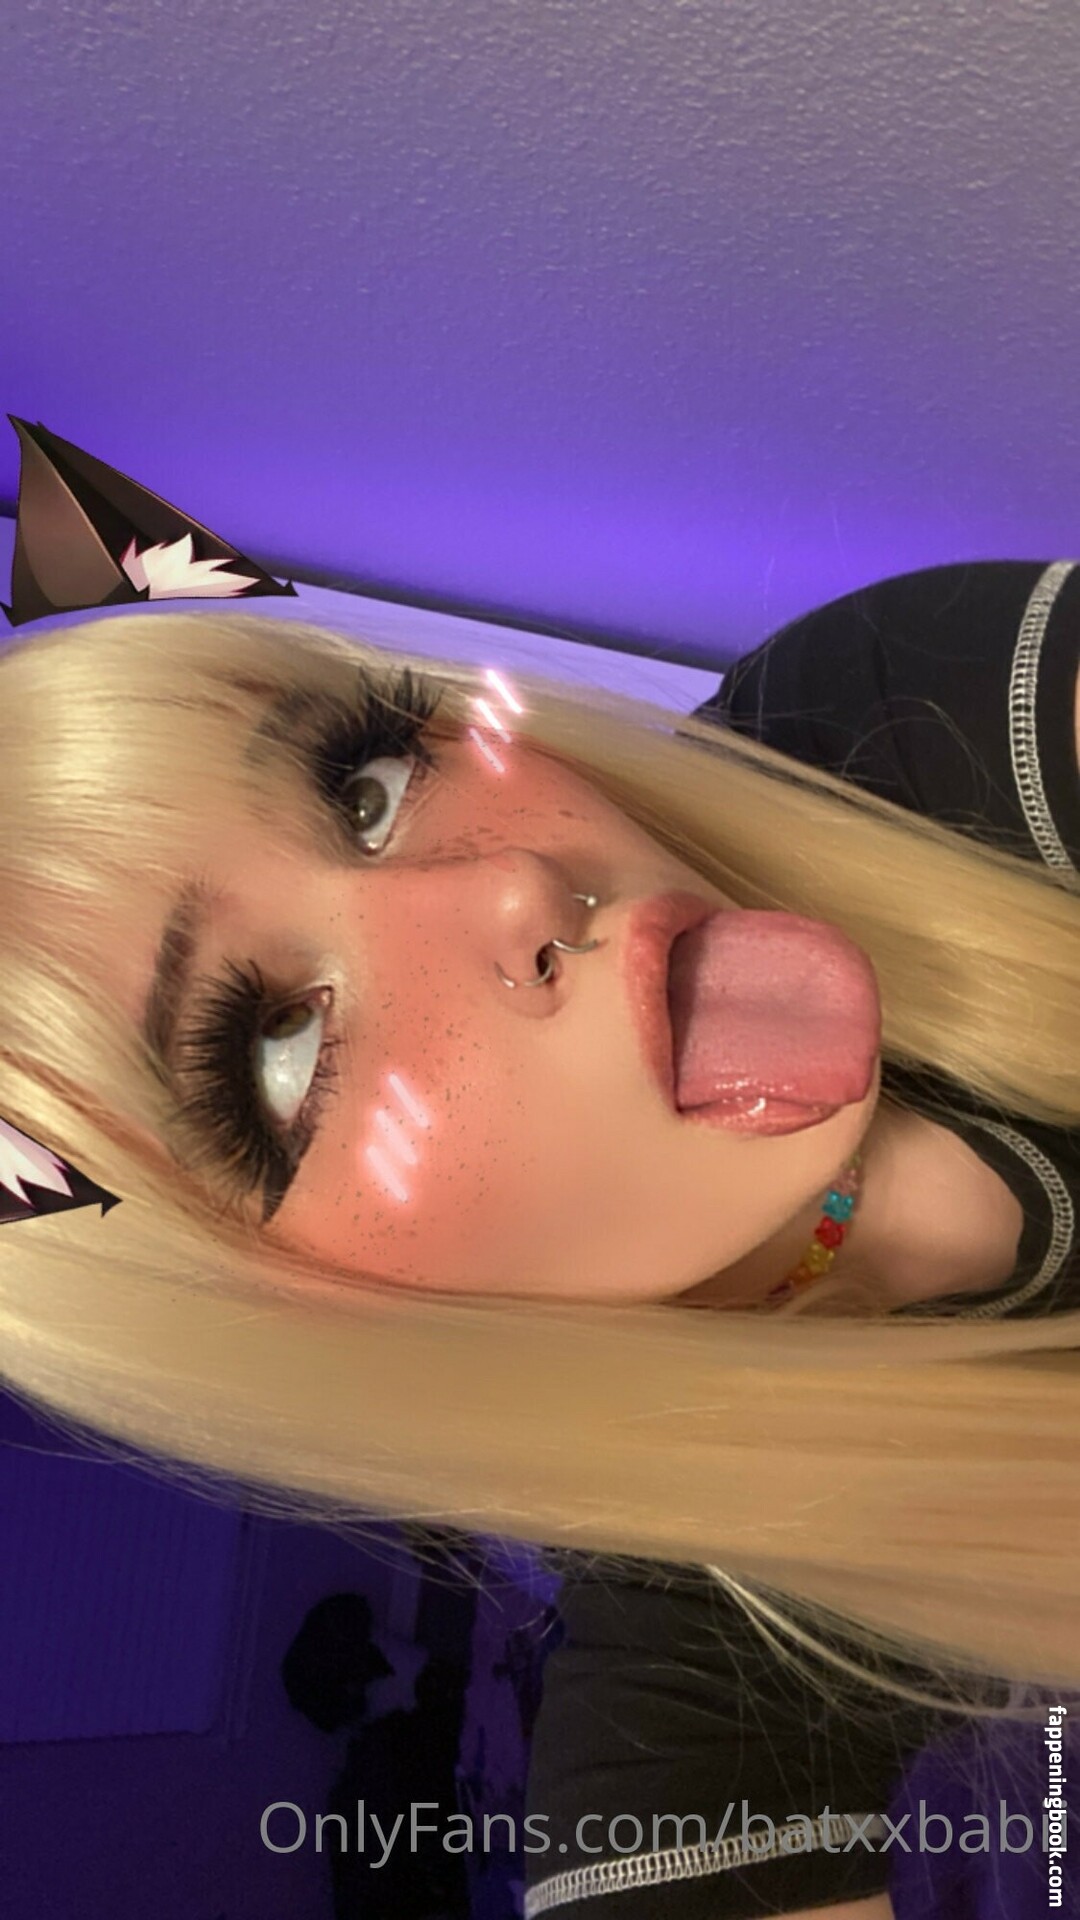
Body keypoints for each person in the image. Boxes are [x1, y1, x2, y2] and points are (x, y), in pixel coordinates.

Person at [1, 504, 1078, 1913]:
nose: (510, 886)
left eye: (370, 785)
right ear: (291, 1328)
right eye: (275, 1048)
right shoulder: (679, 1722)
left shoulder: (876, 726)